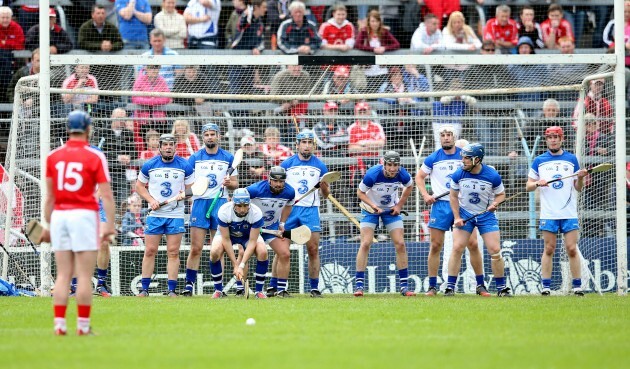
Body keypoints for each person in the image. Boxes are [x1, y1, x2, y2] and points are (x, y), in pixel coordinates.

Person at [42, 110, 116, 336]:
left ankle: (59, 325)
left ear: (67, 129)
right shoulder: (95, 156)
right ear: (88, 129)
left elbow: (50, 198)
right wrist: (109, 226)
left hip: (60, 216)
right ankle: (83, 327)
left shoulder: (53, 156)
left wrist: (48, 225)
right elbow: (106, 195)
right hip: (84, 215)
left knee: (63, 275)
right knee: (84, 275)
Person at [415, 126, 487, 296]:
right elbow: (419, 177)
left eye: (449, 135)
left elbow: (477, 171)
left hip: (462, 204)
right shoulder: (433, 158)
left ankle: (480, 285)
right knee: (435, 245)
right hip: (440, 205)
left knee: (473, 244)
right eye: (443, 135)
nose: (446, 138)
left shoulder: (464, 155)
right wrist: (426, 195)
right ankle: (432, 287)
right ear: (439, 138)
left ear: (454, 137)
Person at [526, 126, 588, 296]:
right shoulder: (539, 161)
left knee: (572, 248)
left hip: (568, 212)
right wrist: (538, 183)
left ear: (562, 139)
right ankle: (546, 287)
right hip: (549, 213)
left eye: (556, 137)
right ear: (546, 140)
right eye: (550, 137)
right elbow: (529, 186)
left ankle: (577, 287)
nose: (553, 140)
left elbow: (578, 187)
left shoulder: (571, 159)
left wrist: (581, 178)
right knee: (549, 249)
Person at [446, 143, 511, 297]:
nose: (463, 161)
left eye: (467, 158)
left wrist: (495, 204)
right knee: (457, 247)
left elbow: (501, 194)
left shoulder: (492, 175)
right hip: (465, 214)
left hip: (486, 215)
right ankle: (450, 287)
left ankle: (501, 288)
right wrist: (457, 217)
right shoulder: (459, 174)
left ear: (477, 159)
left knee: (495, 250)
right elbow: (453, 196)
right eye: (463, 157)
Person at [181, 123, 239, 296]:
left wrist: (230, 184)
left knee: (217, 248)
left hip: (220, 203)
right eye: (206, 134)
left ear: (218, 136)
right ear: (203, 137)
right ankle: (189, 286)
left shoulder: (228, 157)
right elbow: (189, 186)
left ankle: (218, 288)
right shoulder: (195, 158)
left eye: (213, 134)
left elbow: (235, 184)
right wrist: (195, 189)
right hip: (200, 204)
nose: (210, 137)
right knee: (196, 247)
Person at [135, 134, 194, 297]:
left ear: (175, 147)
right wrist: (150, 200)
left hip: (175, 214)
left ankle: (171, 290)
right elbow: (139, 186)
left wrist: (185, 194)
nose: (168, 147)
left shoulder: (185, 165)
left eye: (171, 144)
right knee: (150, 250)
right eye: (165, 144)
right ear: (160, 147)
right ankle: (144, 289)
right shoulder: (149, 165)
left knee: (173, 252)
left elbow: (192, 189)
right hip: (155, 214)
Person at [354, 151, 414, 297]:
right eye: (389, 165)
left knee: (400, 243)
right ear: (384, 164)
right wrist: (373, 206)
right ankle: (359, 286)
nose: (393, 169)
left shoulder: (403, 174)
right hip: (370, 210)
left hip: (390, 210)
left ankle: (404, 287)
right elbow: (360, 193)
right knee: (366, 243)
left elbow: (409, 186)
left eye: (395, 165)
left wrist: (399, 206)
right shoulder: (372, 174)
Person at [280, 130, 330, 297]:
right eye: (304, 142)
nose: (307, 145)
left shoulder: (320, 166)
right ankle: (279, 288)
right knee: (282, 249)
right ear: (297, 144)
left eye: (310, 142)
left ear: (314, 146)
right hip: (290, 210)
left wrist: (324, 186)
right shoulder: (287, 165)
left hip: (310, 211)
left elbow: (326, 195)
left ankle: (314, 288)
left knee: (313, 249)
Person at [246, 167, 295, 297]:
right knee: (243, 253)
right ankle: (241, 289)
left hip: (271, 227)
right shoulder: (255, 189)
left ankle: (281, 290)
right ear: (269, 180)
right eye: (275, 181)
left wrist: (282, 223)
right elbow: (238, 200)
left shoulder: (290, 192)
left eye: (281, 181)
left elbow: (288, 206)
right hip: (253, 227)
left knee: (284, 253)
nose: (278, 184)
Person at [209, 188, 267, 299]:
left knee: (262, 251)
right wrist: (235, 265)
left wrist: (241, 265)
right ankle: (218, 291)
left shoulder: (256, 213)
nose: (242, 209)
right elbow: (226, 240)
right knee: (215, 251)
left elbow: (252, 241)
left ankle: (259, 291)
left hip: (247, 236)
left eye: (245, 206)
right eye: (239, 206)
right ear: (233, 203)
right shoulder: (224, 211)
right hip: (228, 235)